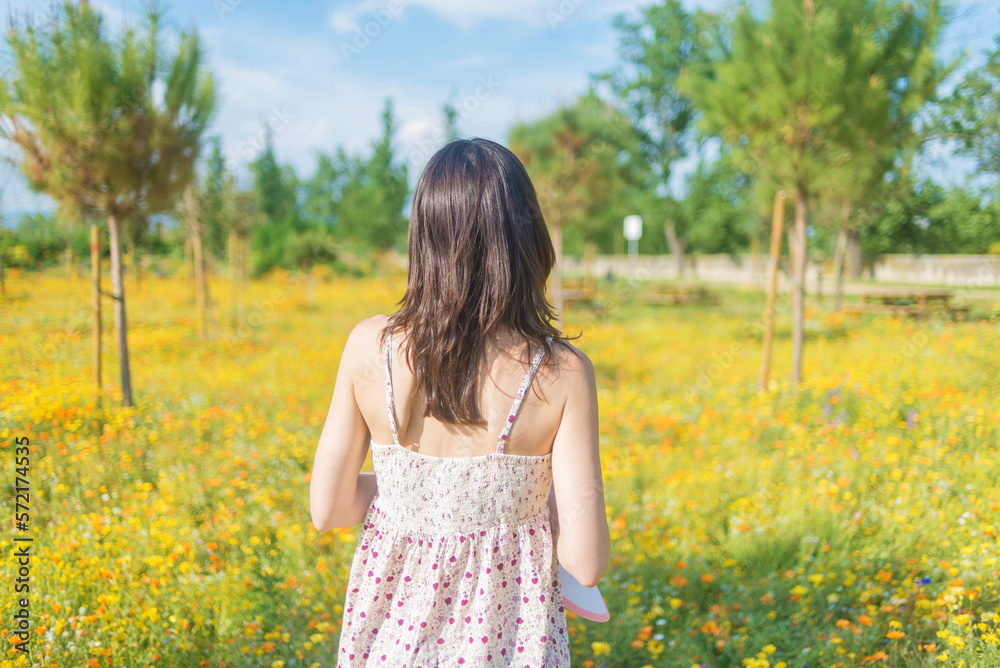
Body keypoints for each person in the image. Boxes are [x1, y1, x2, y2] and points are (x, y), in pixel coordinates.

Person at [309, 137, 610, 667]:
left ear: (422, 236)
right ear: (526, 237)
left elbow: (328, 508)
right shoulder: (560, 372)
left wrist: (419, 487)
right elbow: (584, 563)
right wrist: (520, 498)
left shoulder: (367, 346)